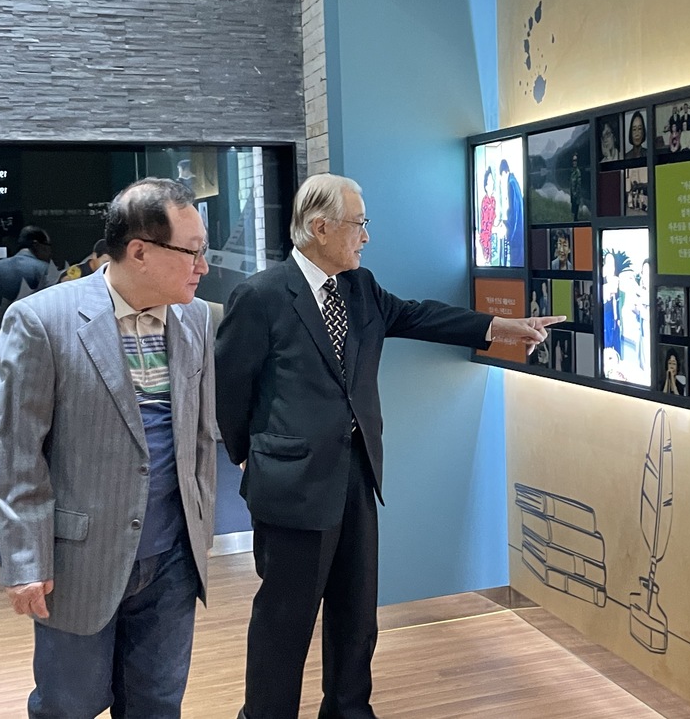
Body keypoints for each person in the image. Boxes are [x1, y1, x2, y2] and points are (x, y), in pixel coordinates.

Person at [213, 173, 564, 719]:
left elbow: (417, 315)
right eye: (359, 224)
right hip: (292, 486)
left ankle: (349, 711)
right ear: (320, 228)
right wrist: (249, 454)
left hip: (357, 473)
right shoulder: (261, 296)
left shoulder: (359, 287)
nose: (366, 236)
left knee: (356, 613)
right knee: (285, 619)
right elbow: (231, 388)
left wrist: (501, 327)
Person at [0, 178, 217, 718]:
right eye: (192, 252)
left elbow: (200, 433)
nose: (203, 267)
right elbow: (16, 451)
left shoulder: (195, 318)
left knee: (158, 704)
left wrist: (201, 522)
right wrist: (24, 558)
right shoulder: (42, 320)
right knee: (70, 705)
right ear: (140, 251)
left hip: (173, 559)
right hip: (79, 561)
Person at [0, 225, 53, 316]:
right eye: (48, 245)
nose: (50, 251)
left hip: (1, 322)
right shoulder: (46, 269)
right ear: (36, 245)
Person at [499, 159, 524, 266]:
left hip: (516, 234)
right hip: (520, 232)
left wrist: (506, 224)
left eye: (501, 177)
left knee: (516, 265)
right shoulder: (515, 182)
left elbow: (514, 212)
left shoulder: (510, 184)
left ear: (504, 172)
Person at [478, 168, 497, 265]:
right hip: (486, 237)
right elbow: (485, 224)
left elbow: (494, 218)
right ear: (485, 186)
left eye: (492, 180)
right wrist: (494, 229)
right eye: (490, 181)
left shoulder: (493, 200)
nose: (492, 183)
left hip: (492, 236)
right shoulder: (485, 202)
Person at [569, 153, 582, 219]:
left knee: (575, 214)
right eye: (573, 161)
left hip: (576, 196)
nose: (574, 162)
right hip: (573, 196)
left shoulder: (578, 172)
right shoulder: (573, 172)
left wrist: (575, 194)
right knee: (573, 212)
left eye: (575, 160)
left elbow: (578, 185)